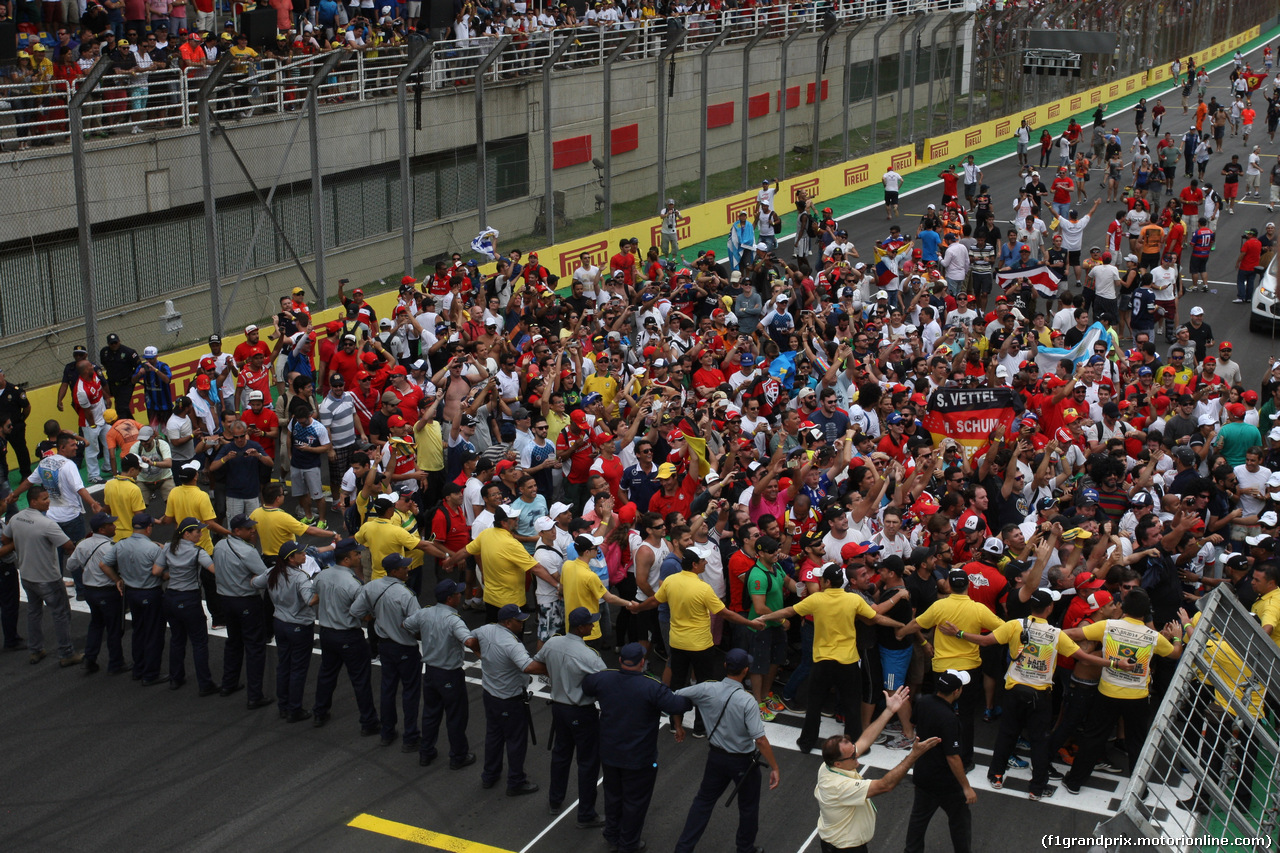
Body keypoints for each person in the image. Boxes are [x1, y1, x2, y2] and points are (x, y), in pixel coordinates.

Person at [938, 588, 1113, 799]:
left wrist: (959, 633)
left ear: (1032, 606)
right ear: (1049, 608)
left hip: (1014, 690)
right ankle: (1037, 788)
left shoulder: (1014, 625)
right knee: (1040, 741)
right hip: (1040, 694)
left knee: (1007, 734)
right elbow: (1084, 657)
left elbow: (985, 641)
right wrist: (1114, 663)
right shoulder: (1056, 634)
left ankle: (995, 775)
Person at [769, 563, 902, 751]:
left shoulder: (816, 599)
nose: (819, 581)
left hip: (822, 661)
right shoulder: (852, 600)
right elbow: (877, 618)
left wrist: (763, 618)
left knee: (814, 704)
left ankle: (806, 743)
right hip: (847, 661)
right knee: (852, 706)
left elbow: (789, 611)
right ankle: (855, 744)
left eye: (821, 578)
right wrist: (900, 625)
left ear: (827, 581)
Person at [1062, 588, 1183, 793]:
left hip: (1107, 693)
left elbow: (1072, 634)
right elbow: (1175, 654)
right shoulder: (1152, 636)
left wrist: (1048, 634)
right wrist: (1177, 637)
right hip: (1137, 697)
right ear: (1145, 613)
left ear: (1124, 609)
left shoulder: (1108, 626)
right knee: (1136, 743)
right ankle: (1139, 790)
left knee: (1094, 737)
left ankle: (1074, 781)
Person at [583, 643, 694, 853]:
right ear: (642, 662)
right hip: (639, 757)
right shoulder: (651, 687)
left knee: (613, 796)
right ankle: (629, 843)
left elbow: (587, 685)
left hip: (610, 753)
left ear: (620, 661)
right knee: (635, 802)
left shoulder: (604, 679)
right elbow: (679, 705)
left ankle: (612, 834)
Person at [671, 647, 781, 853]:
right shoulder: (747, 700)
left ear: (724, 666)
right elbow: (761, 740)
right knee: (748, 807)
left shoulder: (706, 689)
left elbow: (674, 698)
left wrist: (678, 725)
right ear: (745, 670)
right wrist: (774, 766)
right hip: (743, 762)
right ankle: (745, 848)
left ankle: (683, 848)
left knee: (703, 802)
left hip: (716, 757)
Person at [897, 568, 1004, 768]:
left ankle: (935, 753)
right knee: (966, 715)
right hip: (969, 669)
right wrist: (977, 638)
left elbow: (917, 623)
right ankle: (965, 759)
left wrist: (901, 632)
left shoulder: (939, 606)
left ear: (949, 585)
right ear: (968, 586)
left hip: (943, 669)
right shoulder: (978, 609)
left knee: (939, 712)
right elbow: (1003, 628)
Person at [815, 688, 941, 853]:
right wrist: (914, 755)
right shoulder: (840, 786)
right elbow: (885, 785)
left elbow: (865, 740)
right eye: (852, 756)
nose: (857, 755)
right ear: (838, 764)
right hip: (846, 848)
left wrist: (889, 711)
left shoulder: (828, 765)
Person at [534, 606, 608, 824]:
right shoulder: (589, 656)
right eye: (590, 623)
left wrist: (558, 675)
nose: (593, 625)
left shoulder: (553, 643)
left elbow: (538, 662)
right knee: (588, 762)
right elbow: (606, 682)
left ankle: (555, 801)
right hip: (581, 711)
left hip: (559, 708)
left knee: (560, 755)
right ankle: (586, 813)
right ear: (581, 627)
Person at [471, 603, 549, 795]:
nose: (522, 623)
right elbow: (528, 667)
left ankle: (489, 775)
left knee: (493, 736)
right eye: (518, 620)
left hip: (490, 694)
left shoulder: (485, 629)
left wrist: (482, 656)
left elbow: (470, 640)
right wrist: (553, 669)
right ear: (507, 623)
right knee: (515, 741)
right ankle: (515, 782)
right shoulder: (512, 644)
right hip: (510, 699)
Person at [351, 554, 424, 750]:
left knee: (387, 690)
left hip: (384, 646)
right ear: (394, 571)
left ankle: (387, 732)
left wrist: (374, 617)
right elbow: (417, 625)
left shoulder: (372, 586)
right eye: (404, 567)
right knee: (410, 693)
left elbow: (356, 611)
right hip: (405, 648)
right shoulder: (405, 594)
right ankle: (410, 737)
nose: (408, 569)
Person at [404, 579, 479, 768]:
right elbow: (469, 642)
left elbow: (406, 625)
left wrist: (425, 636)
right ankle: (458, 756)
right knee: (456, 717)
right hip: (450, 674)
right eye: (457, 594)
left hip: (430, 672)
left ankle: (426, 753)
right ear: (449, 598)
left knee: (430, 714)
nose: (460, 595)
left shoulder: (425, 612)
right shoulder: (453, 620)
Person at [903, 670, 978, 853]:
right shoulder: (950, 718)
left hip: (922, 774)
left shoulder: (923, 702)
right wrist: (966, 787)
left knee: (918, 821)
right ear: (956, 692)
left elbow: (913, 722)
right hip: (946, 782)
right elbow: (952, 757)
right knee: (960, 822)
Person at [4, 484, 78, 667]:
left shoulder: (16, 518)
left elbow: (6, 539)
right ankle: (66, 653)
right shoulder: (48, 524)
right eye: (44, 499)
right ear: (34, 501)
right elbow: (68, 546)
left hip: (27, 577)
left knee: (34, 613)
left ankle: (35, 650)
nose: (48, 502)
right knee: (61, 614)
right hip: (48, 578)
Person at [312, 538, 380, 734]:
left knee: (327, 674)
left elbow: (314, 597)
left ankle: (320, 712)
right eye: (356, 554)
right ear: (346, 559)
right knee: (360, 679)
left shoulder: (322, 576)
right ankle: (368, 722)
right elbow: (365, 614)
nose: (359, 556)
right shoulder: (353, 584)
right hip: (349, 636)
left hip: (326, 633)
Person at [253, 540, 318, 723]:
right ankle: (294, 709)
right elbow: (310, 600)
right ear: (291, 558)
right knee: (298, 668)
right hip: (298, 626)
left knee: (284, 665)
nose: (305, 556)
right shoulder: (300, 577)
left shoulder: (272, 572)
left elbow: (255, 582)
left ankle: (284, 705)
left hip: (279, 623)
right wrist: (322, 589)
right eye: (302, 553)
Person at [212, 513, 273, 708]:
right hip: (247, 601)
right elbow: (264, 577)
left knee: (233, 643)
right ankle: (255, 696)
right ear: (237, 531)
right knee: (255, 648)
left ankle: (228, 684)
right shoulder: (248, 551)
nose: (253, 531)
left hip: (226, 600)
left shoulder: (220, 545)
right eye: (248, 529)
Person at [155, 517, 217, 695]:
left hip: (171, 598)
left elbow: (156, 571)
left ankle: (175, 678)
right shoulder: (198, 552)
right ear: (187, 534)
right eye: (198, 531)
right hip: (190, 599)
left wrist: (171, 574)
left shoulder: (167, 547)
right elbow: (215, 571)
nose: (200, 534)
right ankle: (205, 684)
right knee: (199, 643)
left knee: (177, 639)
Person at [105, 512, 166, 685]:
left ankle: (138, 669)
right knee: (154, 634)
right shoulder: (153, 548)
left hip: (131, 593)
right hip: (150, 592)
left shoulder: (120, 545)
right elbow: (161, 572)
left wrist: (118, 580)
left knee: (138, 631)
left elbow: (104, 564)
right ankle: (151, 674)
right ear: (148, 528)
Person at [67, 512, 123, 675]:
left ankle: (89, 659)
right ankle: (116, 663)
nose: (115, 526)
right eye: (111, 525)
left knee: (96, 625)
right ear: (102, 529)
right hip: (107, 591)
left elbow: (70, 566)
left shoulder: (83, 544)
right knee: (114, 628)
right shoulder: (110, 547)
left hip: (90, 591)